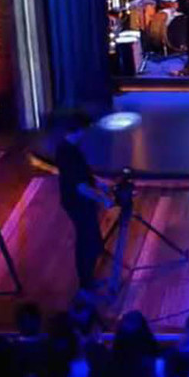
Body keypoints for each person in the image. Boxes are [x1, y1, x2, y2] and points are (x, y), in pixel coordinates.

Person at [54, 115, 112, 294]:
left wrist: (99, 184)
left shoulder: (67, 148)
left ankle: (89, 281)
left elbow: (83, 176)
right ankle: (85, 285)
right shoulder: (70, 154)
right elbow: (81, 187)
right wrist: (103, 199)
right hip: (77, 203)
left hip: (76, 201)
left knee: (91, 240)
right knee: (87, 243)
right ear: (79, 130)